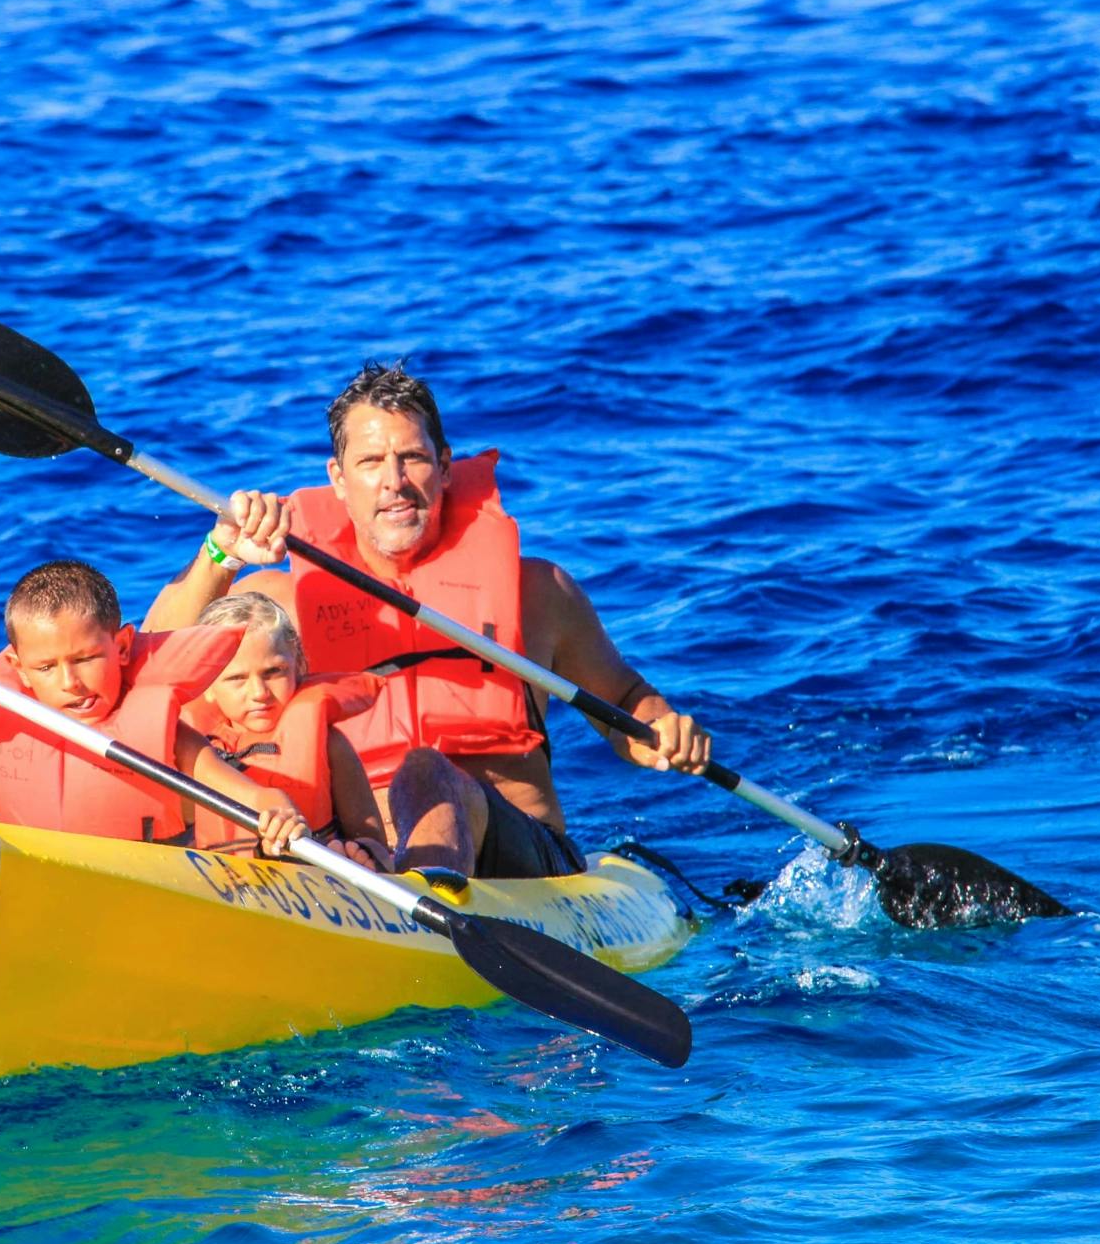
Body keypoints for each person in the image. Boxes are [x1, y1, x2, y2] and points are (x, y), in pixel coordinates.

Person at [143, 363, 712, 878]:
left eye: (411, 457)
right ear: (338, 479)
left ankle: (421, 906)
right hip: (352, 857)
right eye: (370, 463)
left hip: (521, 860)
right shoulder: (281, 607)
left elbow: (625, 705)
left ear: (443, 467)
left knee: (425, 771)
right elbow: (148, 669)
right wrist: (222, 554)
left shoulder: (538, 592)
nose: (393, 480)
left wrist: (661, 728)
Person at [0, 558, 374, 866]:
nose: (69, 682)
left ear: (123, 648)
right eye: (47, 667)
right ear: (18, 666)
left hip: (165, 884)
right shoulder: (9, 730)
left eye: (86, 659)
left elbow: (238, 788)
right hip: (66, 881)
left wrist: (273, 806)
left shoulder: (157, 731)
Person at [178, 592, 392, 870]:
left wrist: (362, 852)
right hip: (220, 881)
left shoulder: (330, 745)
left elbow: (374, 840)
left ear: (298, 666)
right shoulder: (189, 748)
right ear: (206, 684)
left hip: (312, 879)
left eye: (273, 672)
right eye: (237, 678)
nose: (259, 692)